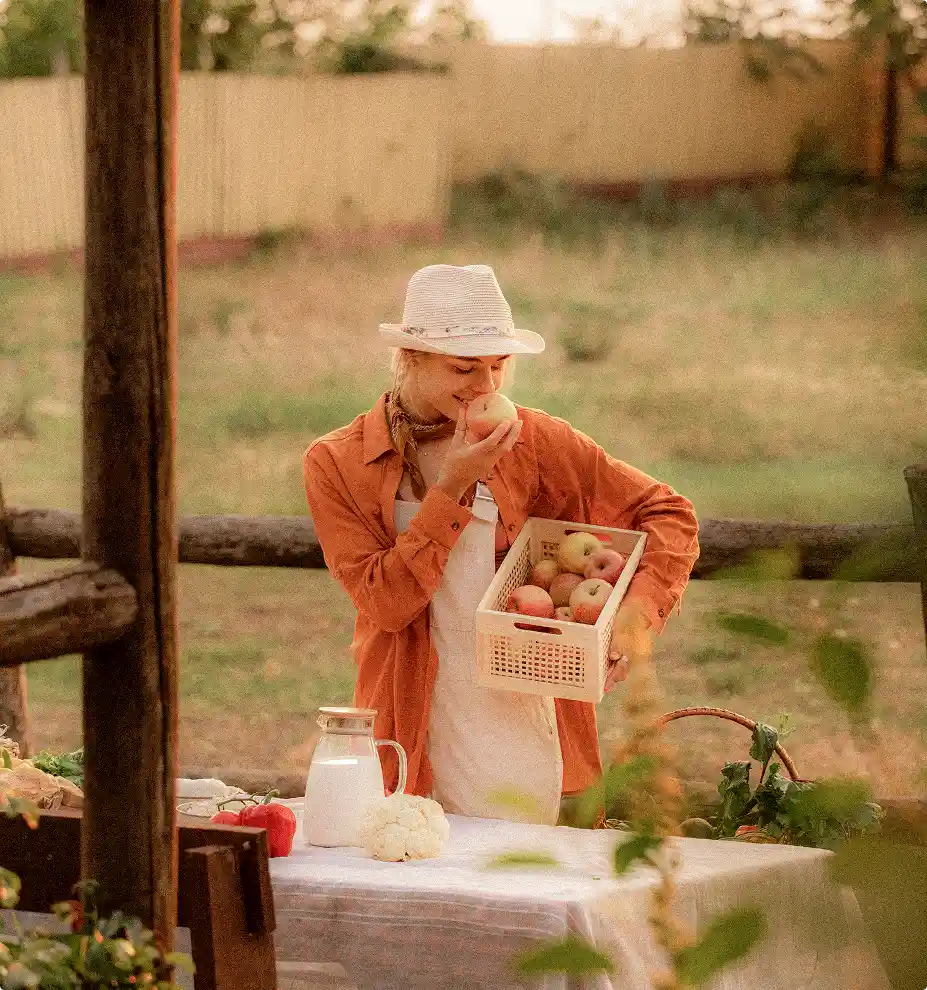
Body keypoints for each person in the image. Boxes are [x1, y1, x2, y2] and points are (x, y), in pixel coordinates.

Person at [303, 264, 699, 825]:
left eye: (497, 366)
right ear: (409, 358)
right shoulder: (337, 462)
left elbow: (668, 511)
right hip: (405, 721)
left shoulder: (535, 442)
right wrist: (454, 485)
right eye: (464, 367)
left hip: (525, 718)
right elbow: (386, 602)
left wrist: (632, 619)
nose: (486, 387)